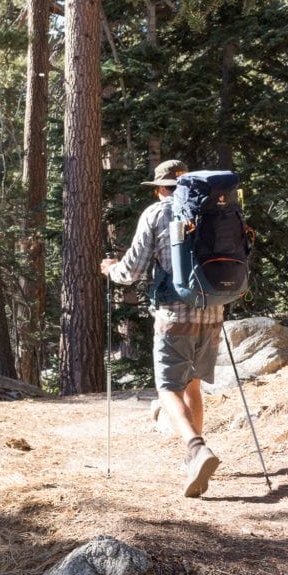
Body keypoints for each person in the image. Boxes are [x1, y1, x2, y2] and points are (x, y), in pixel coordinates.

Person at [100, 159, 222, 498]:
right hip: (212, 311)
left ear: (159, 189)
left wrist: (111, 269)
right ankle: (193, 460)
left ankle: (196, 448)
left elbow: (132, 269)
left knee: (167, 388)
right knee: (192, 388)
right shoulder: (211, 209)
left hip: (174, 314)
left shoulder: (156, 213)